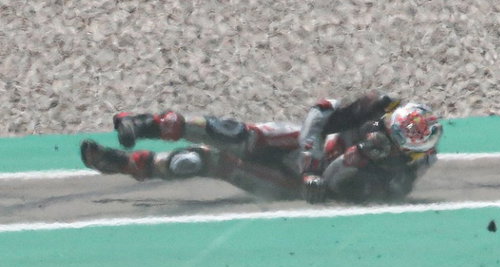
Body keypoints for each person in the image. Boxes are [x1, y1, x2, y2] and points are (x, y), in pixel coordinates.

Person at [79, 91, 441, 204]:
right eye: (384, 129)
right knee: (238, 134)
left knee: (205, 162)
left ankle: (129, 164)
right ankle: (143, 123)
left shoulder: (397, 183)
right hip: (304, 147)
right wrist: (313, 159)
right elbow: (319, 113)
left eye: (389, 144)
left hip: (292, 184)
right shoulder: (376, 107)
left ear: (409, 156)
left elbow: (335, 187)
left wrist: (355, 157)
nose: (378, 137)